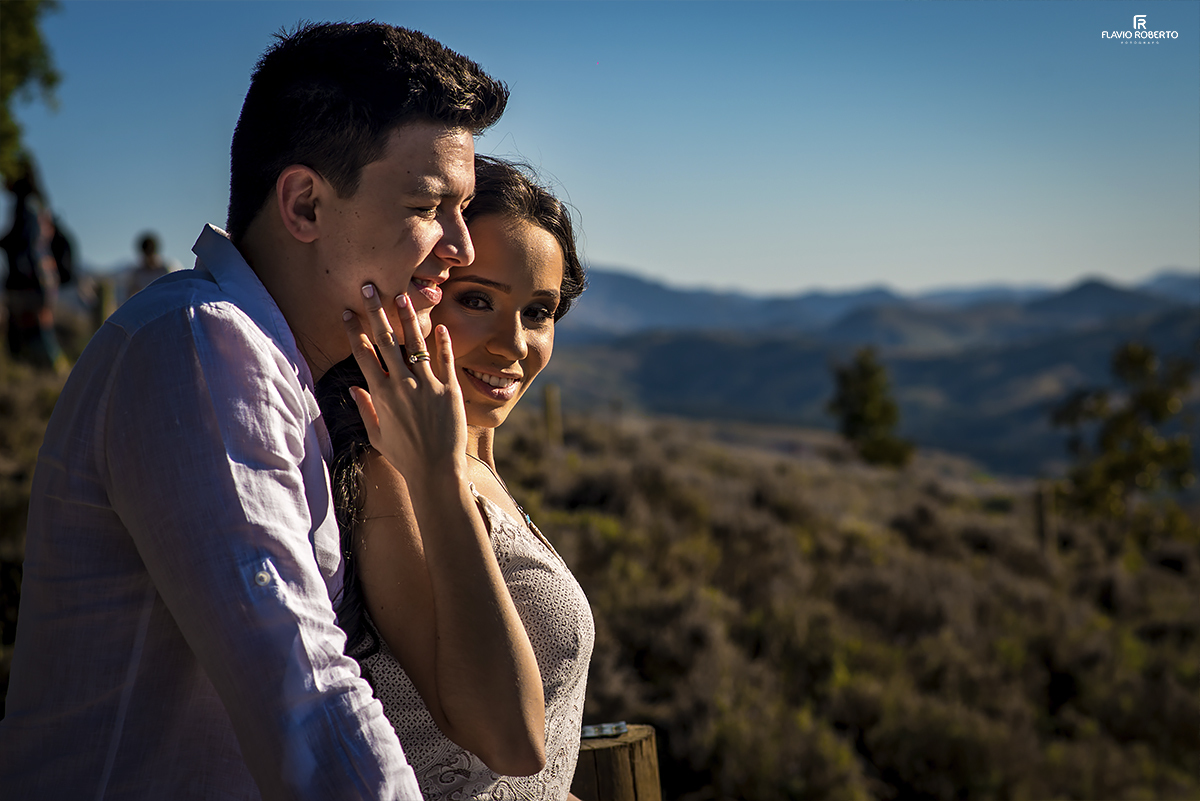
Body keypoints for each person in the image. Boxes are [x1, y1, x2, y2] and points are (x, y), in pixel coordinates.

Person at [0, 22, 507, 800]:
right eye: (430, 205)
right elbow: (306, 690)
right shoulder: (201, 347)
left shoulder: (273, 366)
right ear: (304, 204)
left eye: (464, 209)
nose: (461, 246)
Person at [317, 156, 592, 799]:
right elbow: (512, 744)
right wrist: (439, 477)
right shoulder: (389, 473)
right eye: (476, 301)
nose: (513, 344)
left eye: (538, 312)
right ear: (416, 295)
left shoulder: (470, 463)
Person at [1, 158, 71, 370]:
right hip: (42, 281)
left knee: (35, 335)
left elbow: (24, 245)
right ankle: (55, 378)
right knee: (38, 333)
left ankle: (56, 380)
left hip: (30, 282)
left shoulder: (26, 207)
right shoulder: (37, 204)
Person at [122, 230, 174, 300]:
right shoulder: (138, 274)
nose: (148, 257)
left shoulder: (165, 270)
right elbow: (129, 295)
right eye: (146, 253)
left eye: (150, 253)